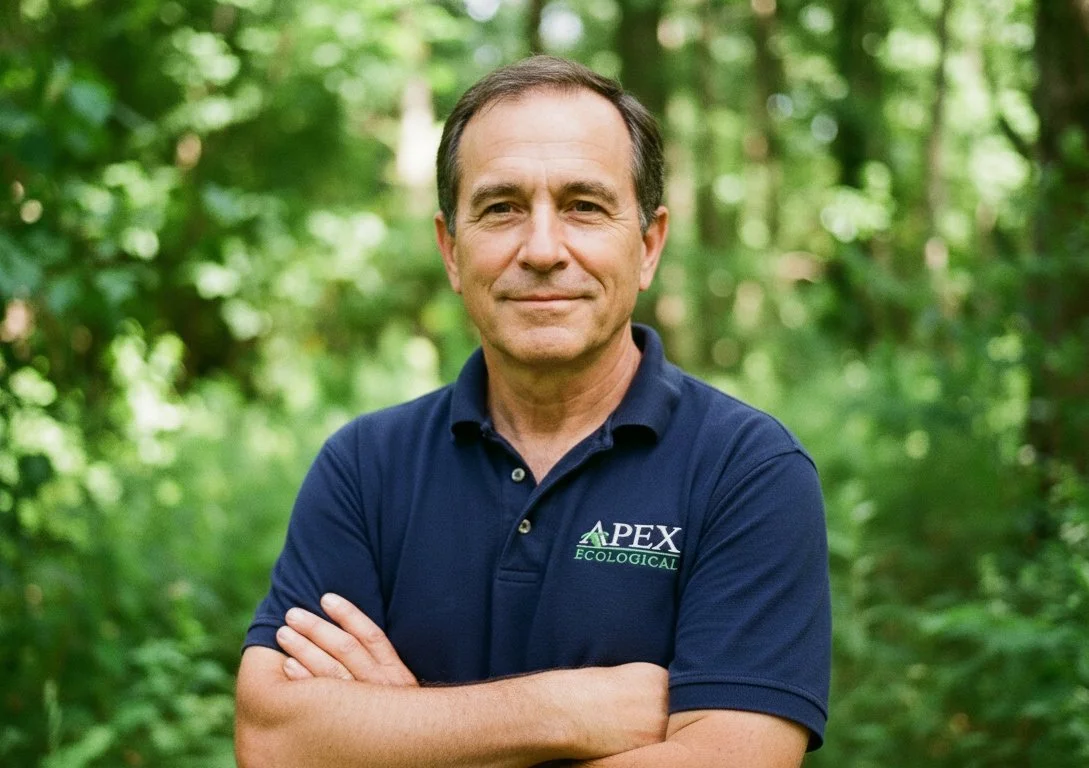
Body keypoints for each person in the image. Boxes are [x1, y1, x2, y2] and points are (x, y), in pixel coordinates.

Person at [235, 55, 831, 768]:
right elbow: (272, 741)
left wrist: (402, 734)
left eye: (584, 206)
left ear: (647, 245)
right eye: (501, 208)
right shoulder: (365, 467)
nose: (543, 250)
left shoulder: (748, 471)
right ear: (451, 250)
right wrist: (566, 711)